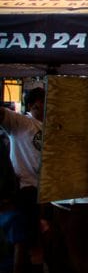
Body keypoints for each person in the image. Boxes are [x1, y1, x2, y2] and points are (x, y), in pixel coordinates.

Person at [0, 89, 43, 222]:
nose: (45, 106)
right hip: (26, 187)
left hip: (46, 189)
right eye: (41, 102)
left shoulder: (53, 125)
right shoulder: (22, 122)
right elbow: (2, 114)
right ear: (30, 105)